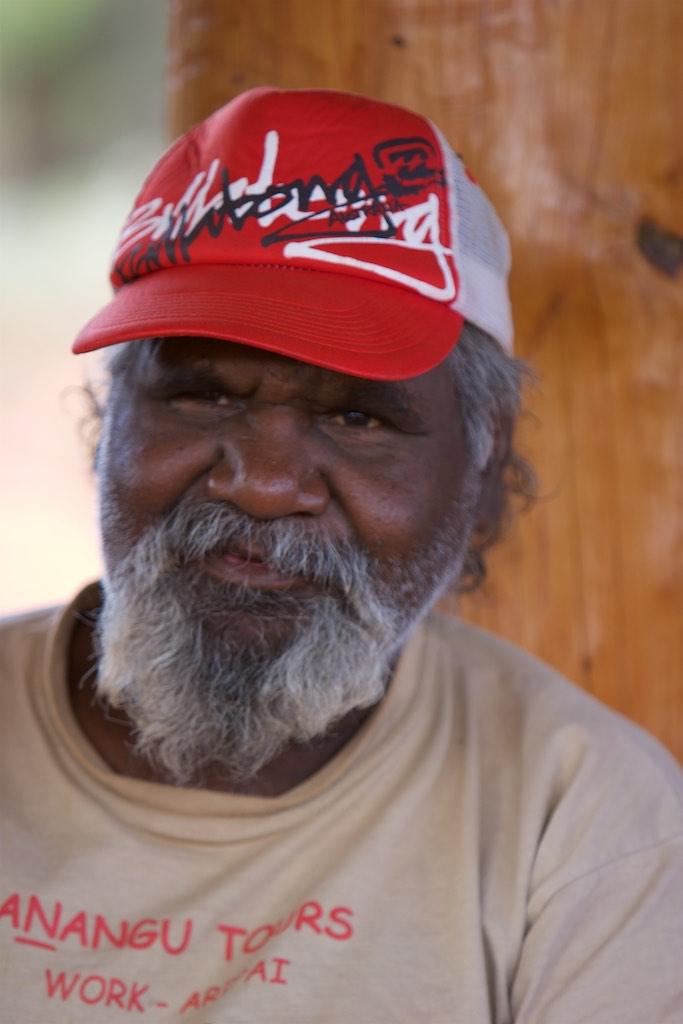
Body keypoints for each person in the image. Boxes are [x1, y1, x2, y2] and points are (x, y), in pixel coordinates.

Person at [1, 86, 681, 1024]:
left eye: (357, 417)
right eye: (202, 395)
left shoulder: (581, 822)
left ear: (484, 469)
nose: (263, 483)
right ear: (105, 422)